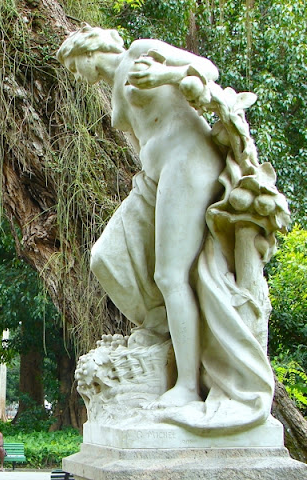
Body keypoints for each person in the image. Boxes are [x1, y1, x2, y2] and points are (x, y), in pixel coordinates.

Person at [57, 24, 287, 430]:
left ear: (91, 52)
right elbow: (140, 137)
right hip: (156, 176)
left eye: (76, 67)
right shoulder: (113, 90)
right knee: (106, 257)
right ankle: (164, 324)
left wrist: (164, 74)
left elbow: (207, 69)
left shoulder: (142, 51)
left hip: (188, 160)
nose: (77, 76)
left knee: (171, 274)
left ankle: (185, 384)